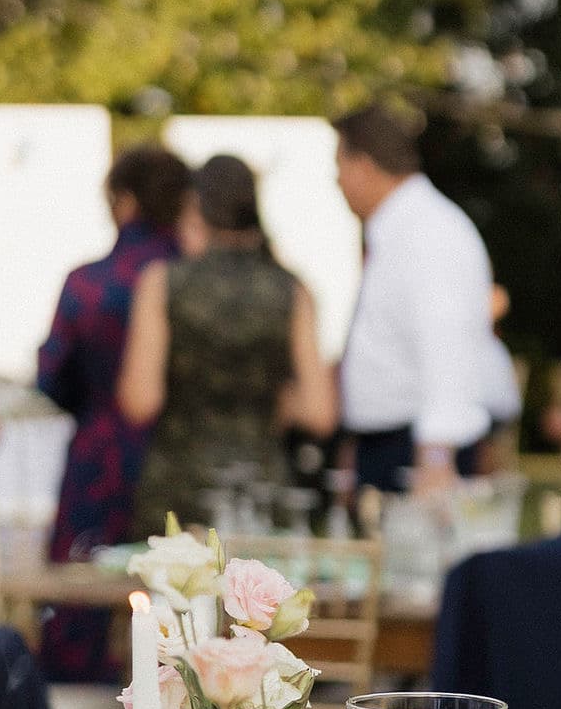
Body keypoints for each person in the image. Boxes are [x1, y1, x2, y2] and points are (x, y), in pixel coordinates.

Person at [35, 145, 193, 679]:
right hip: (182, 458)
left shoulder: (88, 283)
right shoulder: (193, 280)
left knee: (83, 601)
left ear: (124, 201)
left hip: (100, 456)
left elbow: (51, 375)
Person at [119, 152, 336, 537]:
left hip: (179, 487)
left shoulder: (163, 284)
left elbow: (140, 401)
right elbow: (319, 412)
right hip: (262, 486)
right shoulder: (292, 289)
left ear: (196, 209)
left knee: (179, 595)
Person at [333, 106, 499, 495]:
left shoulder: (428, 233)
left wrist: (436, 460)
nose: (336, 180)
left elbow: (447, 347)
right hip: (392, 442)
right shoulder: (402, 229)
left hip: (419, 452)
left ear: (363, 165)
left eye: (339, 165)